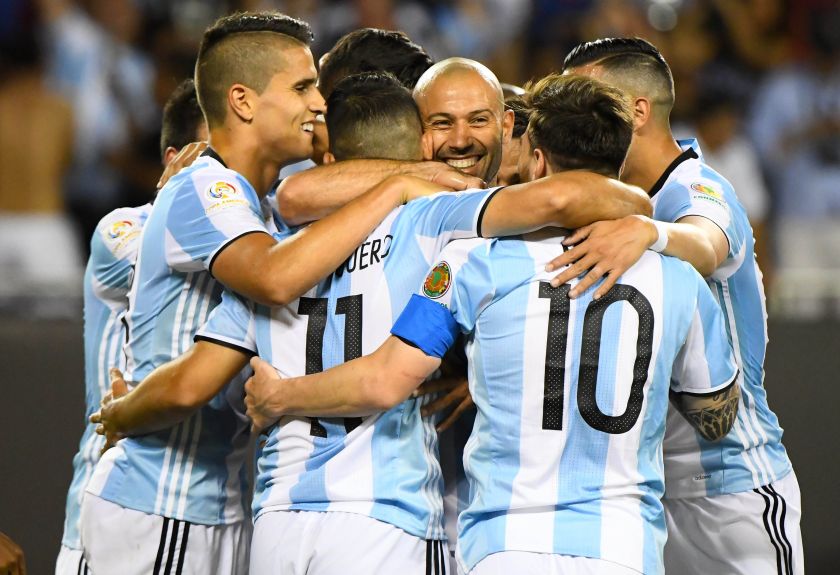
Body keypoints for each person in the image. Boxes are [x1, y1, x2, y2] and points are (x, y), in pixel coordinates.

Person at [94, 67, 650, 574]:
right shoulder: (434, 223)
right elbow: (564, 199)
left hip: (281, 520)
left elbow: (195, 378)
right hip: (390, 521)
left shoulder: (273, 251)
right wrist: (652, 222)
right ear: (412, 150)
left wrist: (120, 411)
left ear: (329, 158)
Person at [243, 73, 740, 575]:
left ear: (536, 156)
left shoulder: (470, 260)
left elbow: (385, 377)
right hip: (622, 545)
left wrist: (280, 396)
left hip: (501, 544)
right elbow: (714, 411)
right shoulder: (680, 279)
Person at [79, 12, 443, 574]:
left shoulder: (257, 201)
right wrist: (122, 416)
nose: (319, 104)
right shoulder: (205, 188)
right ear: (243, 101)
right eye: (302, 87)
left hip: (218, 502)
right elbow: (271, 279)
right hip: (165, 498)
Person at [554, 37, 802, 574]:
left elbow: (708, 243)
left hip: (732, 486)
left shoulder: (697, 188)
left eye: (588, 97)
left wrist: (648, 232)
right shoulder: (604, 198)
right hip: (644, 490)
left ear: (638, 111)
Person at [54, 79, 207, 575]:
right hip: (121, 508)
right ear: (172, 161)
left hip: (206, 512)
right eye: (215, 161)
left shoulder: (254, 231)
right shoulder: (121, 229)